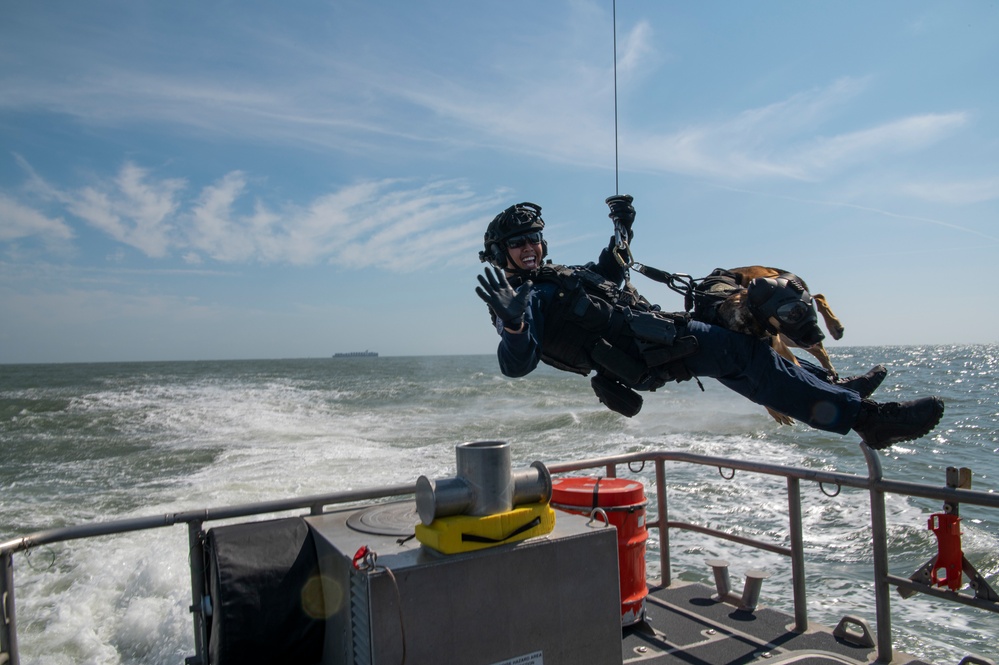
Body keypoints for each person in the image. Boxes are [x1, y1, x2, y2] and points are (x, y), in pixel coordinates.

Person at [475, 197, 944, 450]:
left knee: (747, 338)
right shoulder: (524, 298)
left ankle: (838, 390)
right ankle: (867, 420)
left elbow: (612, 267)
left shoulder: (559, 277)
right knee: (746, 356)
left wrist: (623, 226)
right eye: (517, 243)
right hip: (646, 353)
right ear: (502, 253)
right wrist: (514, 326)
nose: (529, 247)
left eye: (533, 238)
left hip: (661, 332)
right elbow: (515, 365)